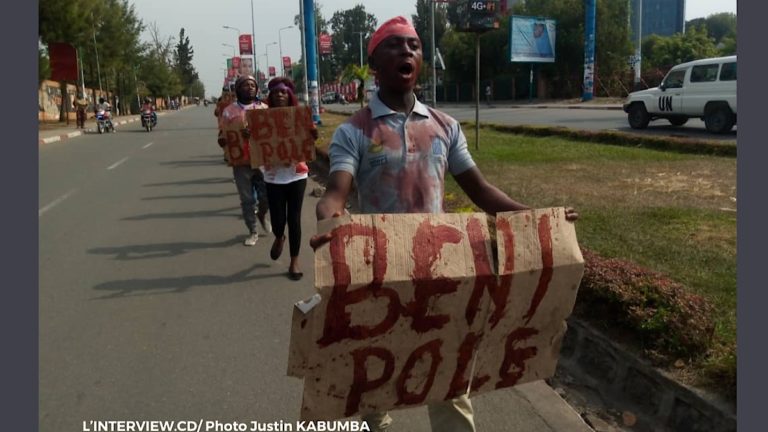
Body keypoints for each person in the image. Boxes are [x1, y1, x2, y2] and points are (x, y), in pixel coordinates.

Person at [309, 16, 578, 432]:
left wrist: (538, 216)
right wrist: (329, 221)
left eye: (414, 47)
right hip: (379, 277)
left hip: (442, 273)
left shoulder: (445, 127)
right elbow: (335, 194)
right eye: (396, 46)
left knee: (450, 376)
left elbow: (482, 192)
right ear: (375, 63)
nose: (408, 53)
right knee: (371, 385)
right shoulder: (355, 131)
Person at [262, 77, 318, 280]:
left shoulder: (301, 116)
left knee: (294, 219)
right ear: (271, 96)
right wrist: (247, 133)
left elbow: (310, 137)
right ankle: (279, 236)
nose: (279, 94)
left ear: (290, 95)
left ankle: (294, 261)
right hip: (273, 176)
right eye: (276, 92)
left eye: (283, 92)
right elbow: (255, 141)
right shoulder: (262, 118)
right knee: (278, 220)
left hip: (297, 174)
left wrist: (313, 134)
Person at [218, 75, 270, 246]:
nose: (250, 87)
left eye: (252, 85)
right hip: (241, 163)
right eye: (245, 85)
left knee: (267, 196)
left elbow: (272, 133)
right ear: (238, 89)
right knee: (247, 199)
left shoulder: (264, 108)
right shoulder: (229, 111)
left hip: (262, 160)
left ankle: (262, 214)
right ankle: (253, 230)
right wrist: (223, 141)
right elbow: (223, 134)